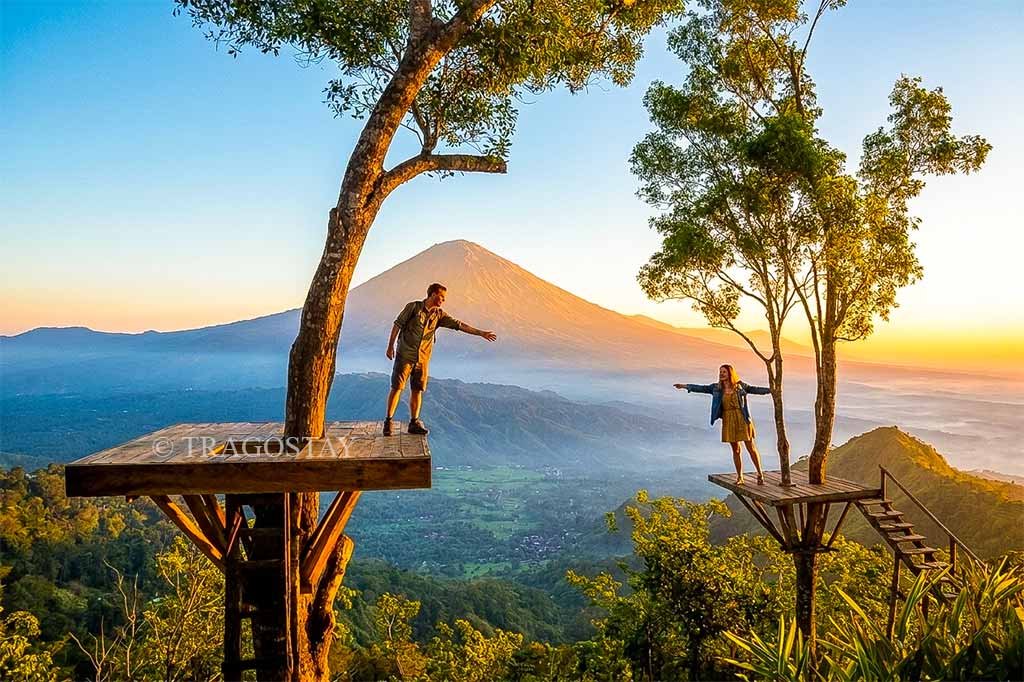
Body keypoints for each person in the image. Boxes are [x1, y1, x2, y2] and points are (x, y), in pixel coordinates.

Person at [384, 282, 497, 436]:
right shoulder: (413, 308)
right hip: (405, 355)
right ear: (433, 294)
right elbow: (397, 325)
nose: (443, 301)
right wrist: (390, 346)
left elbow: (459, 325)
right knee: (397, 387)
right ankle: (388, 421)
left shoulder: (439, 315)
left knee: (417, 390)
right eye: (441, 297)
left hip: (423, 358)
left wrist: (480, 333)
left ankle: (414, 422)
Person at [674, 364, 771, 485]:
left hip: (742, 419)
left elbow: (754, 389)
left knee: (750, 447)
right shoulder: (716, 388)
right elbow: (701, 388)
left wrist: (771, 390)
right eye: (720, 372)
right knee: (736, 450)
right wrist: (685, 386)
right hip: (728, 419)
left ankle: (759, 474)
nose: (721, 374)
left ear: (730, 373)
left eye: (724, 372)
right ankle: (740, 477)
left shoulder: (740, 386)